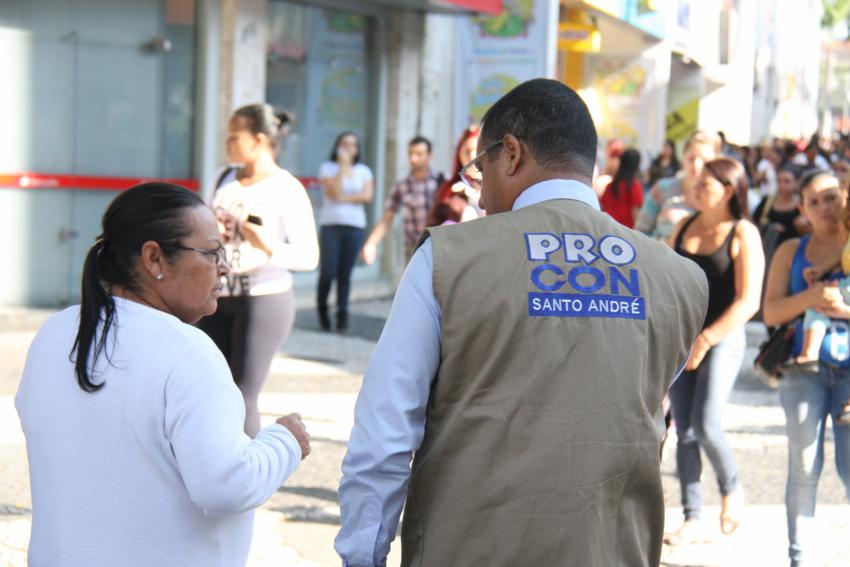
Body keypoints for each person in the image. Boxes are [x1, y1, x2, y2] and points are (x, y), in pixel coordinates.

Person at [334, 78, 709, 567]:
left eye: (479, 169)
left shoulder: (448, 259)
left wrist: (362, 557)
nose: (481, 196)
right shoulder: (679, 279)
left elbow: (385, 429)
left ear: (510, 153)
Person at [15, 183, 311, 567]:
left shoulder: (55, 333)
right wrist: (284, 441)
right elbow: (225, 485)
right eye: (211, 252)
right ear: (154, 258)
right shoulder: (188, 351)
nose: (224, 266)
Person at [198, 103, 319, 437]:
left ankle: (245, 478)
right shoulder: (221, 179)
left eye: (234, 135)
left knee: (242, 392)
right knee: (210, 388)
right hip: (216, 294)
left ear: (259, 139)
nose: (227, 142)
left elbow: (309, 257)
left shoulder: (286, 188)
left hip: (264, 297)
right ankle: (211, 464)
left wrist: (266, 245)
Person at [664, 158, 765, 544]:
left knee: (705, 424)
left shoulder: (743, 232)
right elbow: (668, 281)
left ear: (728, 189)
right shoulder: (683, 226)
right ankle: (692, 515)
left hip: (723, 337)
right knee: (683, 431)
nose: (697, 186)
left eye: (707, 183)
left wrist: (706, 340)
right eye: (698, 181)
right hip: (682, 339)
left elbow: (748, 300)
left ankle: (732, 488)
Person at [762, 170, 850, 567]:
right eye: (814, 202)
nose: (825, 207)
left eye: (831, 197)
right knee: (803, 465)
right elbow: (771, 311)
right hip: (803, 371)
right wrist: (811, 297)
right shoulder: (791, 251)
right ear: (802, 210)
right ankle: (799, 559)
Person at [316, 131, 374, 332]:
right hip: (331, 225)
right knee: (328, 272)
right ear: (337, 146)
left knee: (345, 274)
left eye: (353, 145)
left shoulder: (364, 171)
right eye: (344, 144)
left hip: (355, 226)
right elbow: (333, 192)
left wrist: (342, 198)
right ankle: (322, 309)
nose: (349, 149)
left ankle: (342, 315)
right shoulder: (328, 168)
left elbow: (367, 196)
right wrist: (342, 167)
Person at [361, 136, 443, 264]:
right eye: (411, 153)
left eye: (419, 154)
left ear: (429, 155)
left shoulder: (442, 181)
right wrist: (371, 242)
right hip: (414, 248)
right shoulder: (402, 185)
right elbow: (387, 217)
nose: (413, 158)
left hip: (439, 247)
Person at [634, 130, 718, 240]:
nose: (696, 165)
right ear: (683, 157)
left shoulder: (720, 197)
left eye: (704, 160)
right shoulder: (662, 188)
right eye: (691, 158)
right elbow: (639, 234)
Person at [427, 125, 482, 226]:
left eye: (476, 151)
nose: (472, 156)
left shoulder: (495, 185)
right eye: (467, 151)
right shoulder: (450, 190)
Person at [599, 147, 643, 228]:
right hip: (626, 233)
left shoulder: (610, 187)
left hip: (608, 231)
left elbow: (603, 209)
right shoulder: (634, 186)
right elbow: (635, 214)